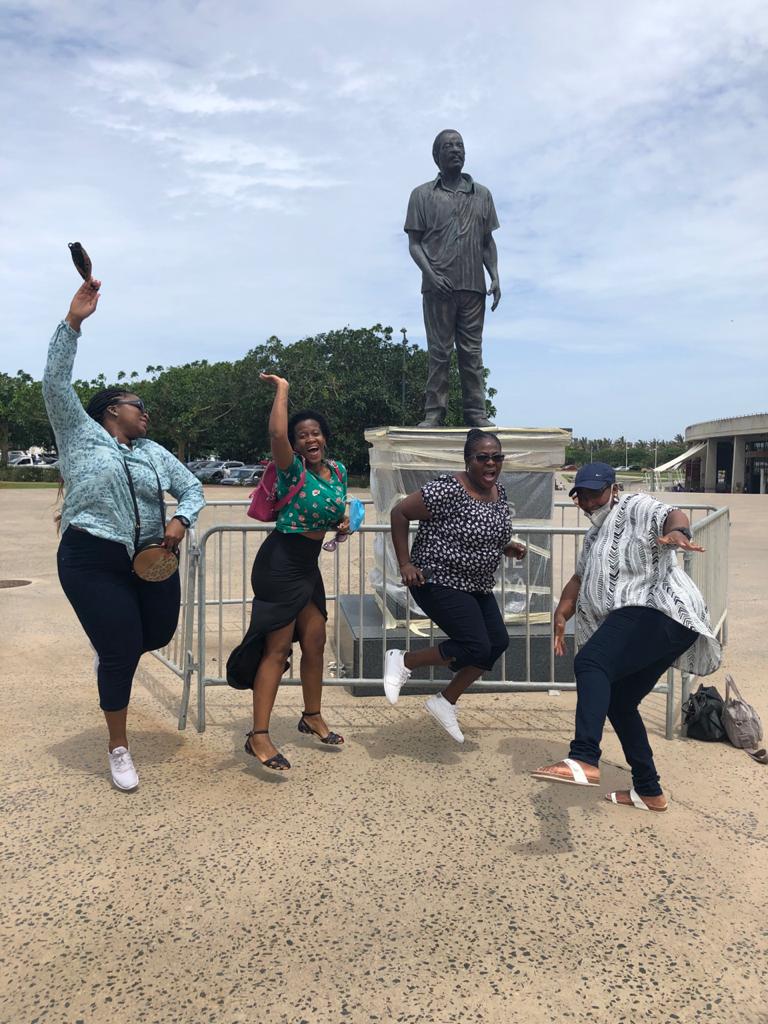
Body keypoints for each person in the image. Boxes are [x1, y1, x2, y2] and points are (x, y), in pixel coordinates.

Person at [43, 278, 205, 791]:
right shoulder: (80, 433)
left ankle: (111, 643)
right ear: (113, 408)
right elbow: (54, 382)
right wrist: (73, 322)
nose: (146, 412)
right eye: (139, 404)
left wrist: (181, 520)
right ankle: (118, 747)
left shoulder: (153, 451)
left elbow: (192, 487)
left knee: (155, 636)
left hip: (152, 557)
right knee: (120, 651)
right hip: (91, 556)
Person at [532, 463, 721, 811]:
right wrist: (561, 613)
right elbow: (578, 578)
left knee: (591, 663)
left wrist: (678, 532)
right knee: (619, 703)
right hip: (660, 624)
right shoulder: (594, 537)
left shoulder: (634, 505)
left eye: (596, 493)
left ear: (614, 489)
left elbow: (671, 514)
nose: (589, 502)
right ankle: (649, 790)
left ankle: (583, 757)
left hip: (659, 610)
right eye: (582, 496)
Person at [226, 374, 349, 771]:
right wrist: (283, 389)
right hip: (279, 564)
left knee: (315, 640)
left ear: (324, 437)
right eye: (302, 436)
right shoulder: (292, 470)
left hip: (307, 566)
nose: (309, 439)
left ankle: (311, 715)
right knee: (277, 649)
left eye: (315, 433)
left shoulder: (338, 471)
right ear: (295, 445)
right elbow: (276, 433)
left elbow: (335, 509)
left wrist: (344, 521)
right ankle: (258, 735)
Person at [384, 429, 526, 741]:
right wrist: (405, 564)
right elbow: (400, 512)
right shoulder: (447, 489)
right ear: (468, 461)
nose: (491, 463)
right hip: (437, 579)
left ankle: (445, 701)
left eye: (497, 457)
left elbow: (482, 531)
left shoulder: (498, 492)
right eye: (483, 457)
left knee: (497, 642)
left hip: (476, 584)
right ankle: (403, 660)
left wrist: (506, 546)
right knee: (476, 645)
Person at [404, 129, 501, 428]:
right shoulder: (421, 195)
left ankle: (476, 412)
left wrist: (495, 275)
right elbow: (414, 244)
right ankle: (434, 413)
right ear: (437, 155)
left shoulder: (482, 194)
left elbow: (487, 242)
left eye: (460, 145)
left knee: (472, 353)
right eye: (449, 146)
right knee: (439, 352)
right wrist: (431, 275)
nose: (456, 150)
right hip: (438, 287)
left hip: (473, 286)